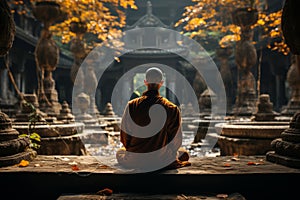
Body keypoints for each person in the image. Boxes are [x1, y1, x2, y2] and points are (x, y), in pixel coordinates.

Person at [116, 67, 190, 171]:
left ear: (145, 82)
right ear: (161, 83)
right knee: (184, 154)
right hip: (162, 160)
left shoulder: (132, 105)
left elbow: (124, 137)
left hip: (135, 159)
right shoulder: (171, 108)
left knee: (120, 152)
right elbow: (176, 141)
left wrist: (137, 151)